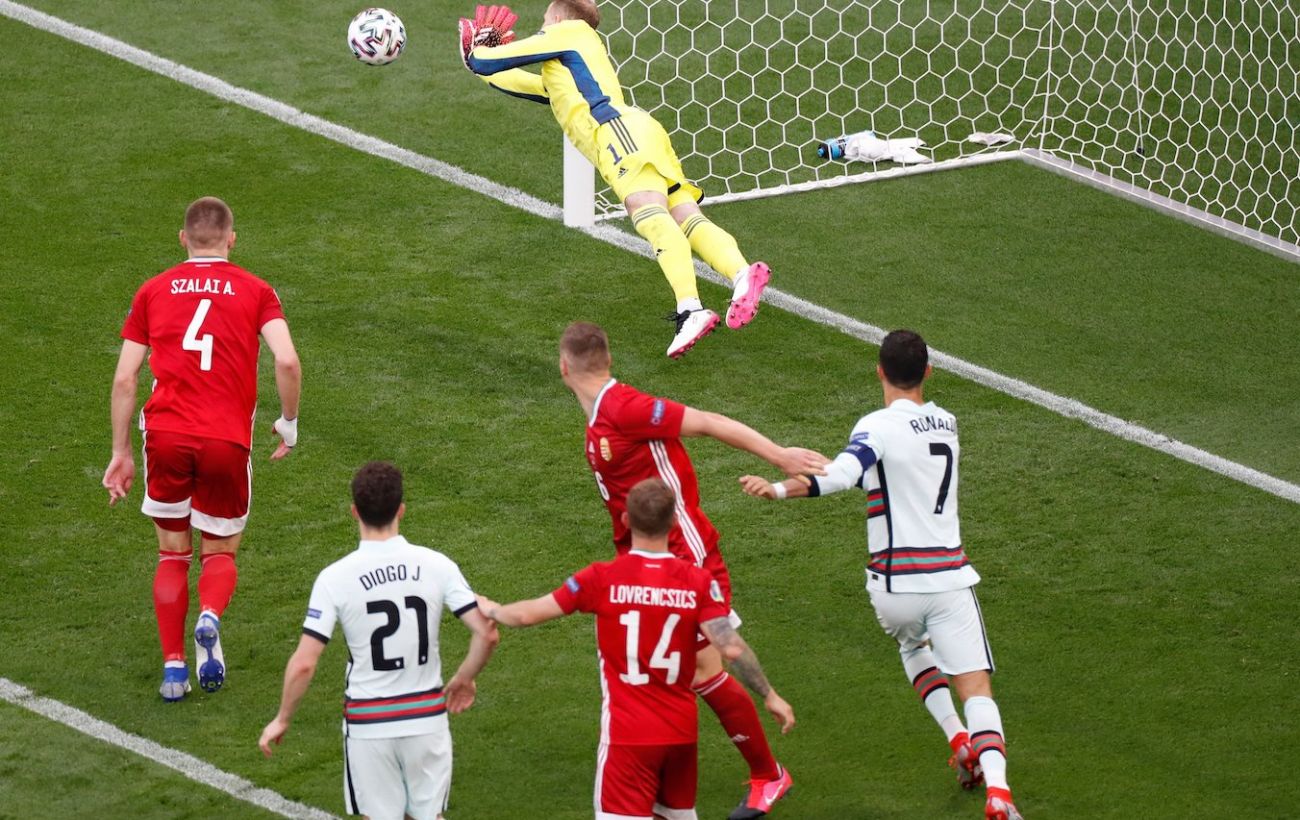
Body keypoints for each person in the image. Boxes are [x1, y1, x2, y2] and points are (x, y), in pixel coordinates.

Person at [738, 329, 1024, 820]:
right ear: (928, 372)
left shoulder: (876, 425)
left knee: (914, 648)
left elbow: (849, 475)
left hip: (893, 586)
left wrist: (780, 489)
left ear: (879, 372)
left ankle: (957, 739)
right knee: (975, 688)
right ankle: (999, 793)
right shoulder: (948, 423)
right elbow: (883, 476)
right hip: (949, 578)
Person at [558, 321, 825, 819]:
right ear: (608, 359)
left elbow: (707, 421)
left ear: (562, 367)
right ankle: (675, 793)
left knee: (702, 670)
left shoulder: (625, 407)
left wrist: (779, 455)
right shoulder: (599, 418)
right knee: (674, 674)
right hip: (647, 559)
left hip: (686, 555)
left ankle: (768, 775)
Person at [461, 0, 774, 359]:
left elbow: (490, 60)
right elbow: (509, 78)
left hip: (617, 134)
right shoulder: (566, 66)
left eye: (545, 17)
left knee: (650, 214)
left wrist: (478, 50)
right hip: (639, 131)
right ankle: (741, 274)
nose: (542, 24)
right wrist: (476, 61)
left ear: (559, 16)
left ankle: (690, 309)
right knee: (685, 216)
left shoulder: (568, 32)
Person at [478, 478, 795, 820]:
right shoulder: (699, 583)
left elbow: (525, 615)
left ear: (626, 521)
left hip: (628, 738)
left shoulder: (601, 578)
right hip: (681, 736)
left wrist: (491, 609)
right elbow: (731, 648)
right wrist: (770, 695)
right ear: (675, 522)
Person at [102, 196, 302, 701]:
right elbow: (286, 360)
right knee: (219, 550)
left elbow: (125, 378)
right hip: (225, 439)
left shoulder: (152, 290)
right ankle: (209, 616)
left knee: (172, 554)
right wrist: (289, 422)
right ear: (232, 239)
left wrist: (121, 452)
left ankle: (173, 670)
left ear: (183, 239)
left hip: (166, 436)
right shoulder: (257, 291)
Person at [259, 461, 499, 820]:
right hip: (426, 720)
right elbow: (487, 632)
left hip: (369, 724)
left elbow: (305, 663)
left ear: (354, 511)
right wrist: (465, 677)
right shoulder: (437, 565)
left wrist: (282, 718)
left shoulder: (334, 578)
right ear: (401, 509)